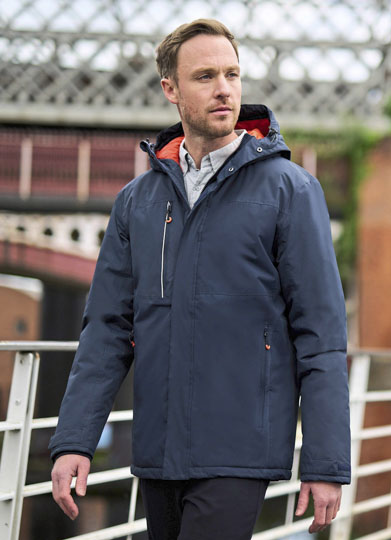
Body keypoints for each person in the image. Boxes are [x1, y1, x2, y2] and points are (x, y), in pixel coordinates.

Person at [50, 19, 351, 539]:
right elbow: (107, 329)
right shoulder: (137, 202)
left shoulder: (291, 191)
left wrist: (325, 463)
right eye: (206, 76)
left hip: (239, 448)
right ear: (171, 89)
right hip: (158, 450)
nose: (224, 89)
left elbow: (320, 335)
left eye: (232, 74)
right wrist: (74, 440)